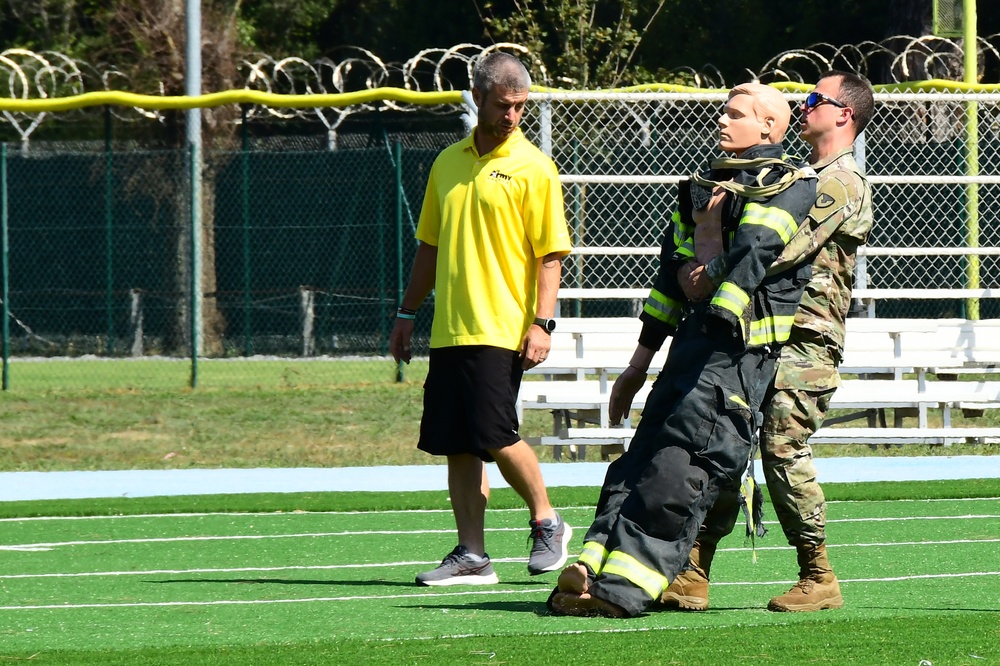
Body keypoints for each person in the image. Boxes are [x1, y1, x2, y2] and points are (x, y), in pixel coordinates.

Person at [548, 83, 818, 618]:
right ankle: (593, 565)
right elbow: (673, 278)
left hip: (736, 358)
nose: (722, 120)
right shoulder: (700, 185)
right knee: (640, 459)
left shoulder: (793, 185)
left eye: (736, 114)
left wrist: (709, 244)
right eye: (724, 111)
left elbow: (750, 256)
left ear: (769, 127)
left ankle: (623, 590)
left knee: (682, 466)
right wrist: (636, 366)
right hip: (688, 352)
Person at [659, 71, 875, 613]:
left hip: (806, 340)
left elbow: (779, 250)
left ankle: (817, 573)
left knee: (781, 446)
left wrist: (716, 258)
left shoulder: (839, 182)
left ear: (843, 114)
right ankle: (695, 567)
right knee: (728, 441)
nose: (804, 106)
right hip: (761, 332)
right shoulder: (798, 175)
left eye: (814, 100)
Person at [390, 51, 573, 587]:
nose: (512, 115)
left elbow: (550, 256)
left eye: (521, 106)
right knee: (458, 441)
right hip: (449, 327)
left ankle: (547, 519)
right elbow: (429, 246)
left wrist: (542, 323)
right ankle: (473, 555)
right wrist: (407, 312)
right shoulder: (447, 163)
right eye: (503, 104)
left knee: (494, 431)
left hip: (503, 327)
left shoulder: (536, 168)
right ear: (477, 96)